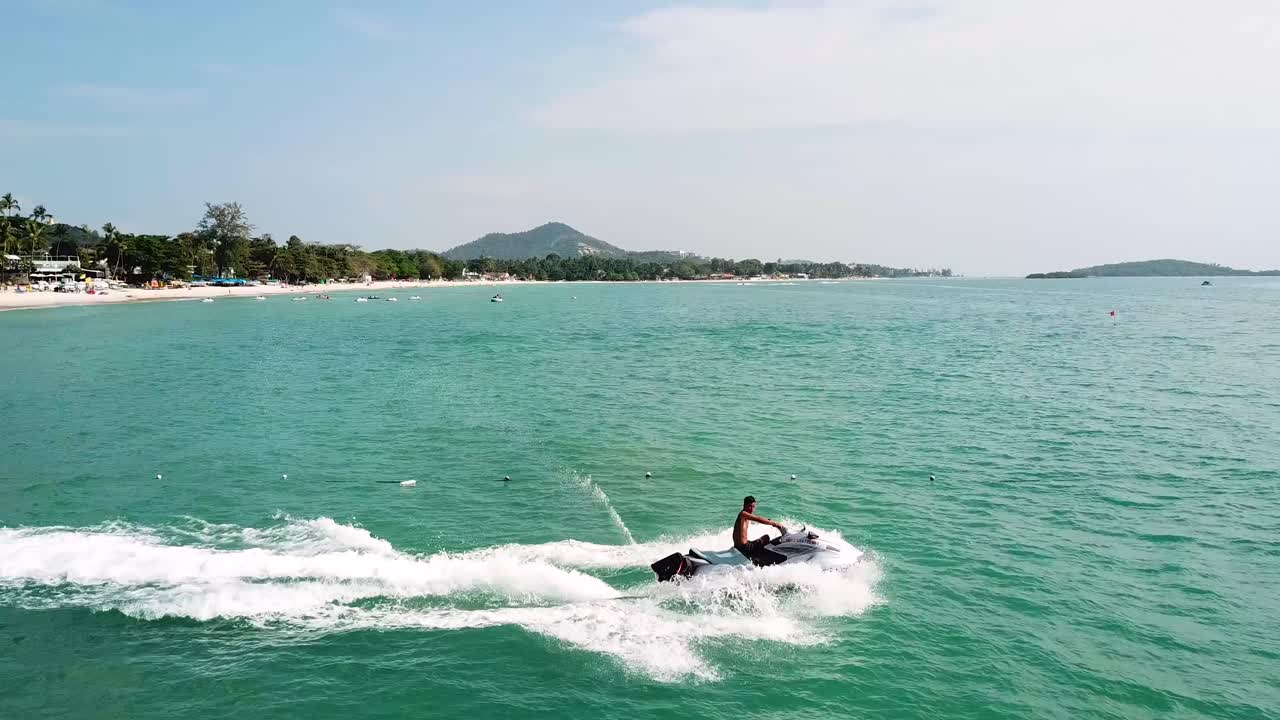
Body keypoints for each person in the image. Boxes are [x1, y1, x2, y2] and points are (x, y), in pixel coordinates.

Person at [734, 495, 786, 566]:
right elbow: (758, 519)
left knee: (765, 539)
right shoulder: (743, 514)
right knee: (766, 538)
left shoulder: (744, 515)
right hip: (745, 548)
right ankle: (761, 559)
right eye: (750, 506)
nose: (752, 509)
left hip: (741, 545)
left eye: (753, 507)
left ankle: (760, 555)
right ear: (744, 505)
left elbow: (759, 518)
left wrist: (770, 521)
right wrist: (774, 523)